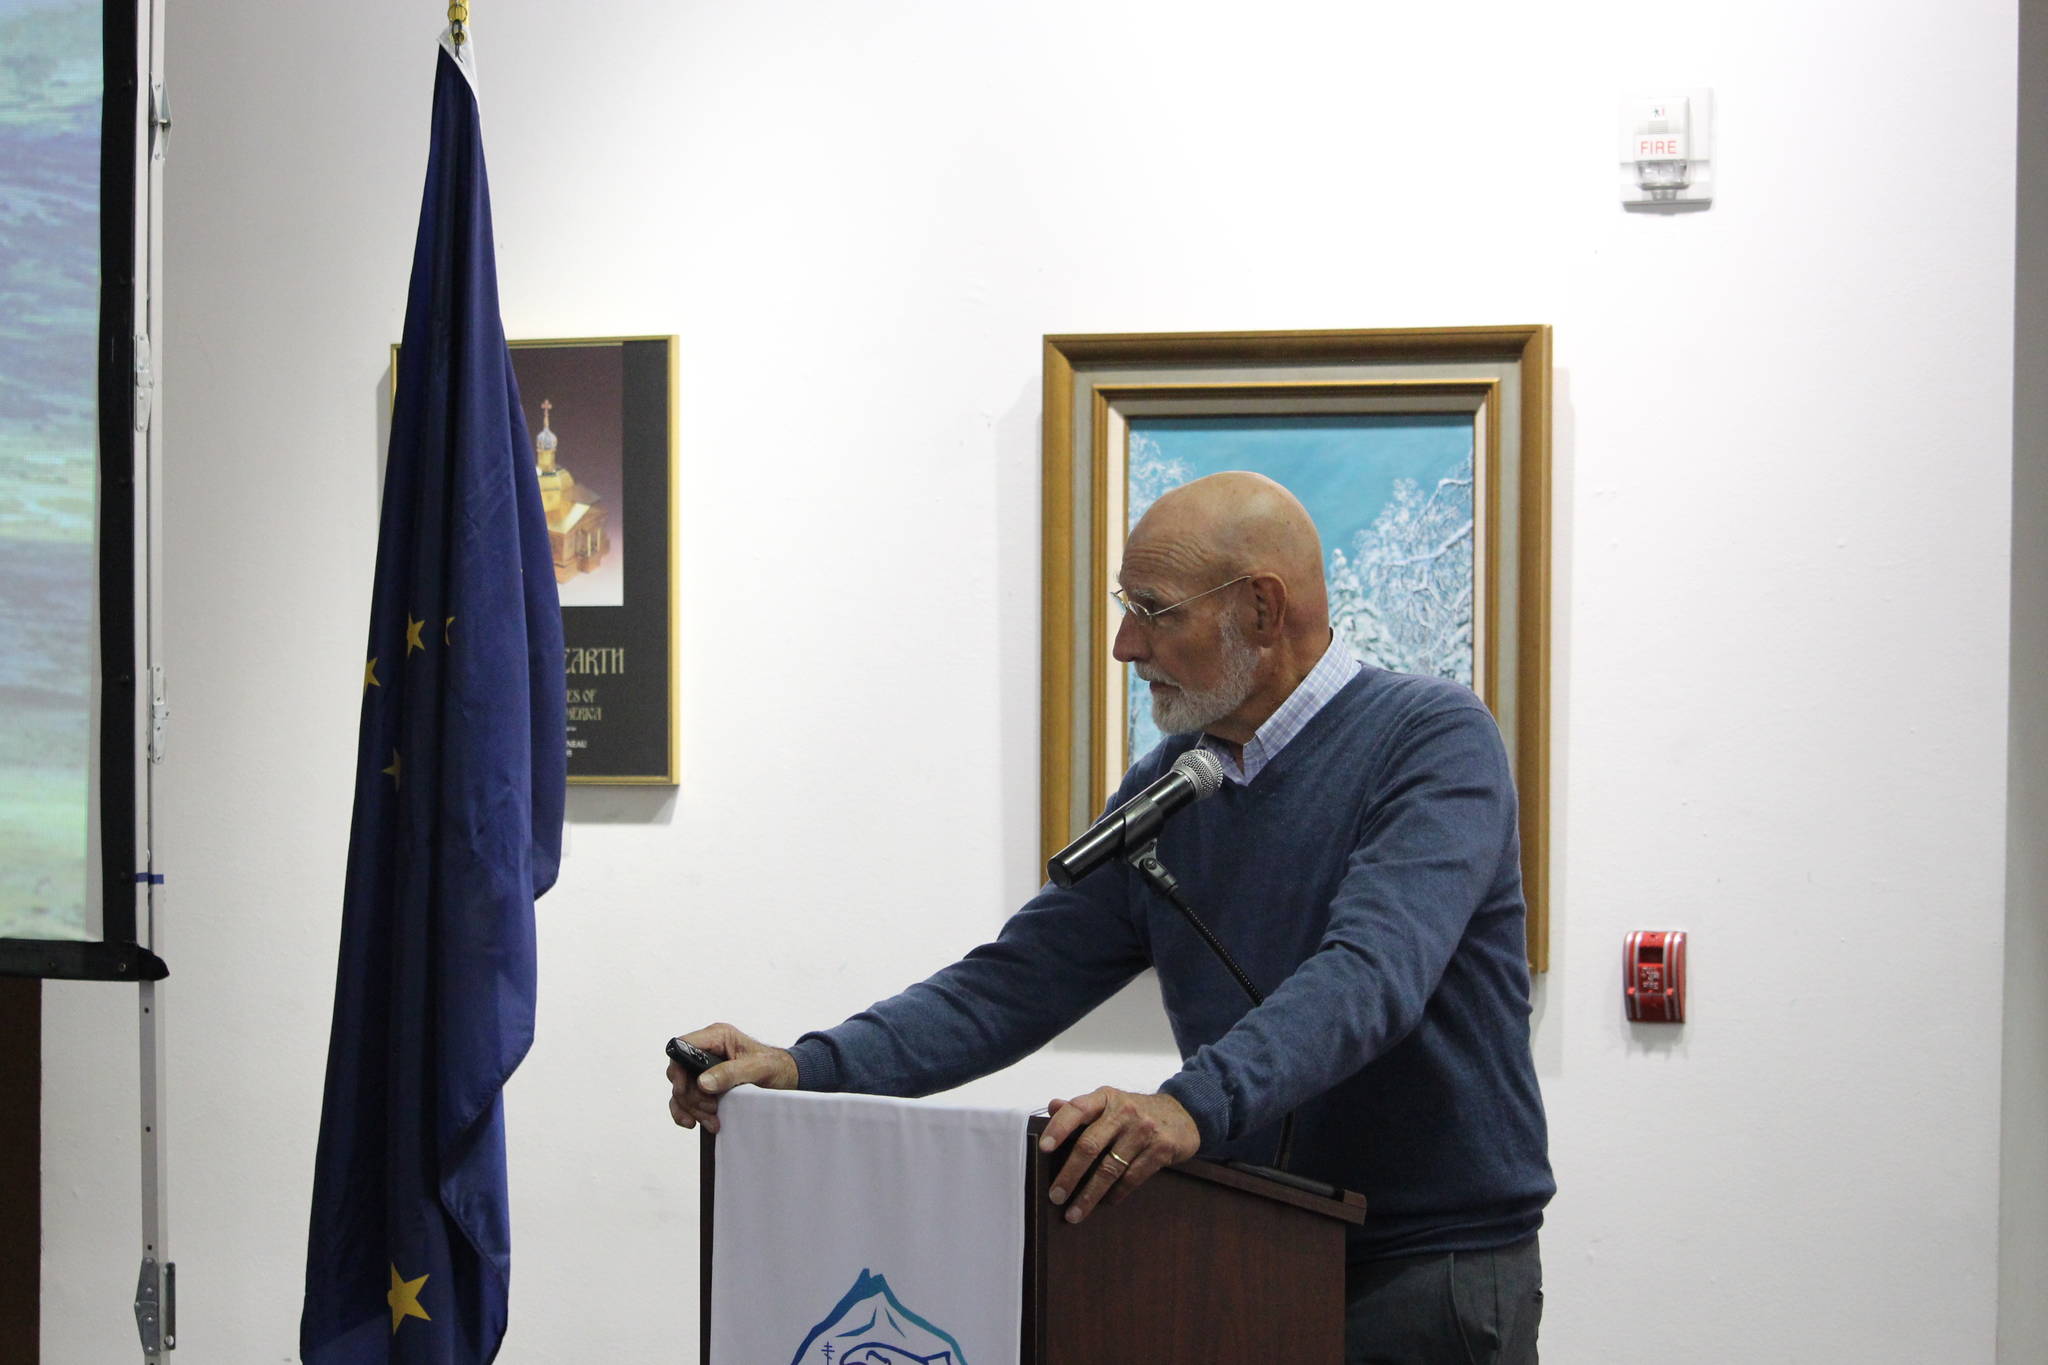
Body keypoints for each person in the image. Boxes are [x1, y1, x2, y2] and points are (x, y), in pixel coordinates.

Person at [669, 471, 1551, 1362]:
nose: (1127, 644)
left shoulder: (1432, 739)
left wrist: (1185, 1108)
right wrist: (808, 1067)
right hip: (1249, 1251)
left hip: (1424, 1269)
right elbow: (1007, 988)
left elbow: (1369, 973)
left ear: (1261, 608)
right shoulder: (1174, 784)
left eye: (1156, 610)